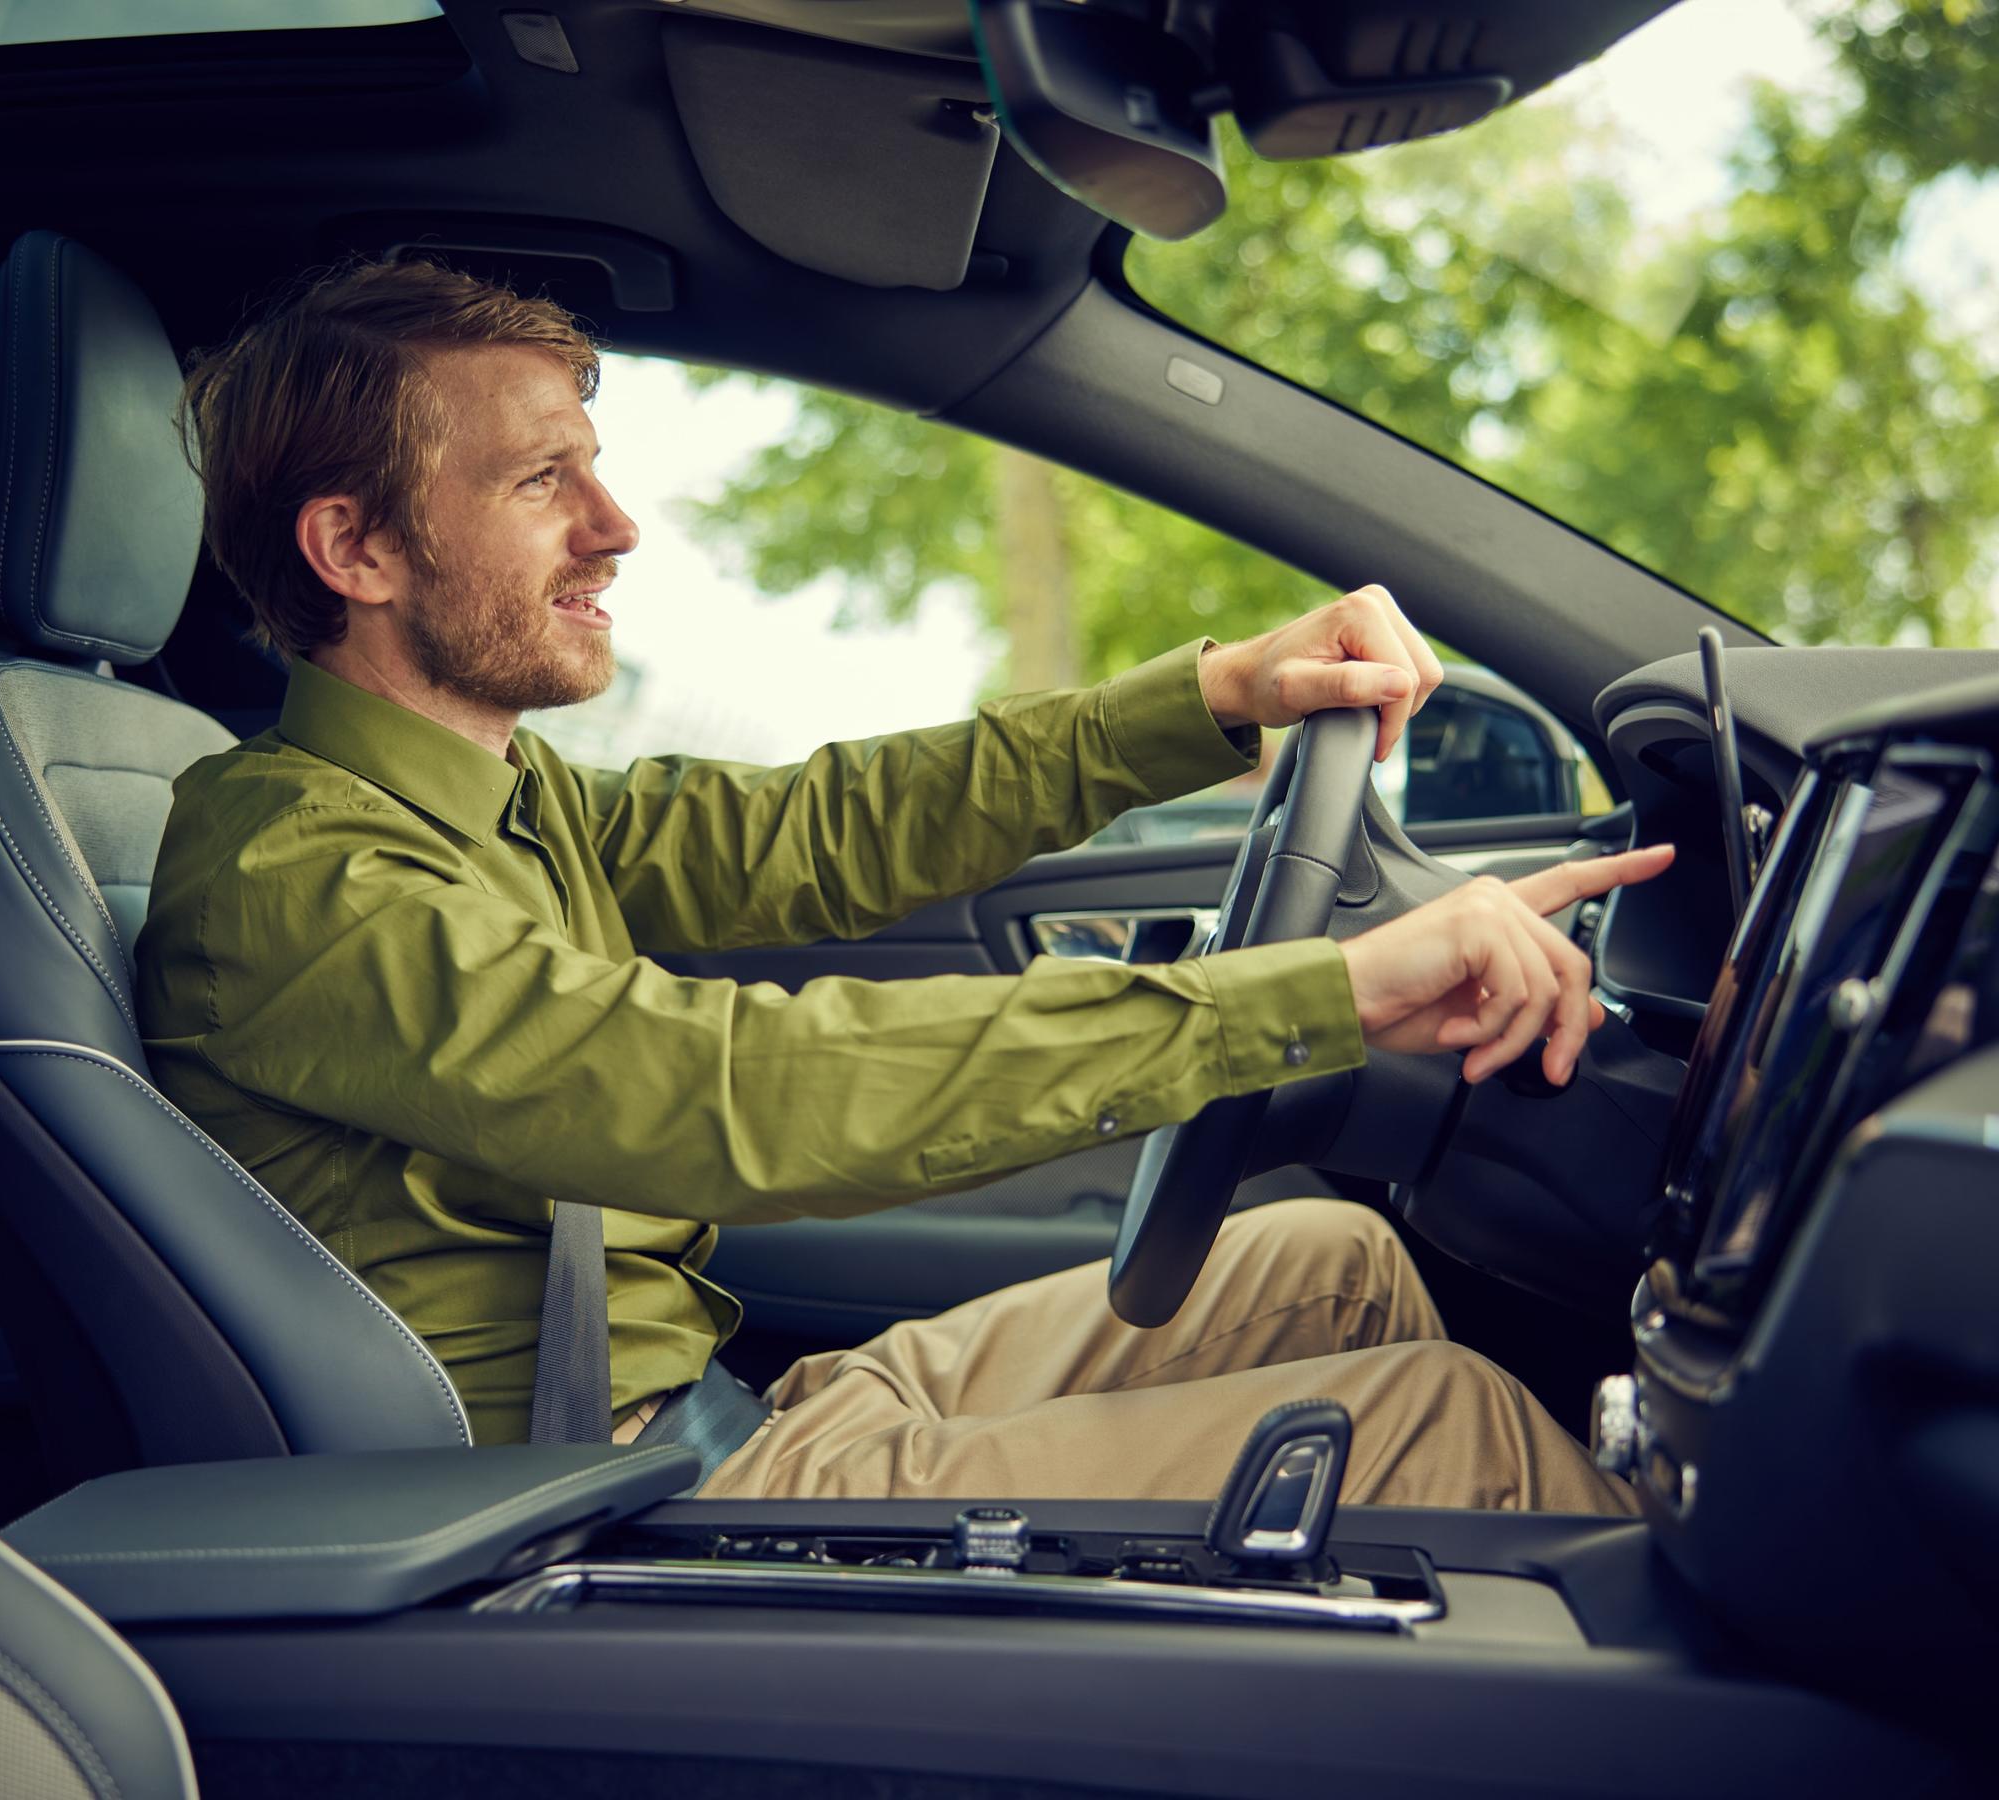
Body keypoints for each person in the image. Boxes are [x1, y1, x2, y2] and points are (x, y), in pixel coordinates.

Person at [139, 258, 1671, 1513]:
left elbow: (822, 831)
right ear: (355, 547)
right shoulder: (295, 865)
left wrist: (1212, 696)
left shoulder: (511, 801)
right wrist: (1319, 996)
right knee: (1452, 1426)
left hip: (718, 1417)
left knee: (1331, 1262)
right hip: (597, 1507)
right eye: (546, 481)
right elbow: (718, 1091)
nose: (615, 530)